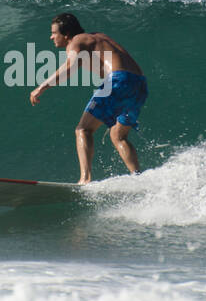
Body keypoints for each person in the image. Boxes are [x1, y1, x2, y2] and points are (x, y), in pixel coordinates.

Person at [29, 13, 147, 183]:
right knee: (118, 135)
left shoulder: (76, 41)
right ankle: (137, 178)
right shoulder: (98, 37)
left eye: (54, 33)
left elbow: (69, 67)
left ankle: (85, 179)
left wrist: (42, 87)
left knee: (83, 130)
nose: (51, 37)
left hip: (118, 80)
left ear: (67, 34)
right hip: (139, 84)